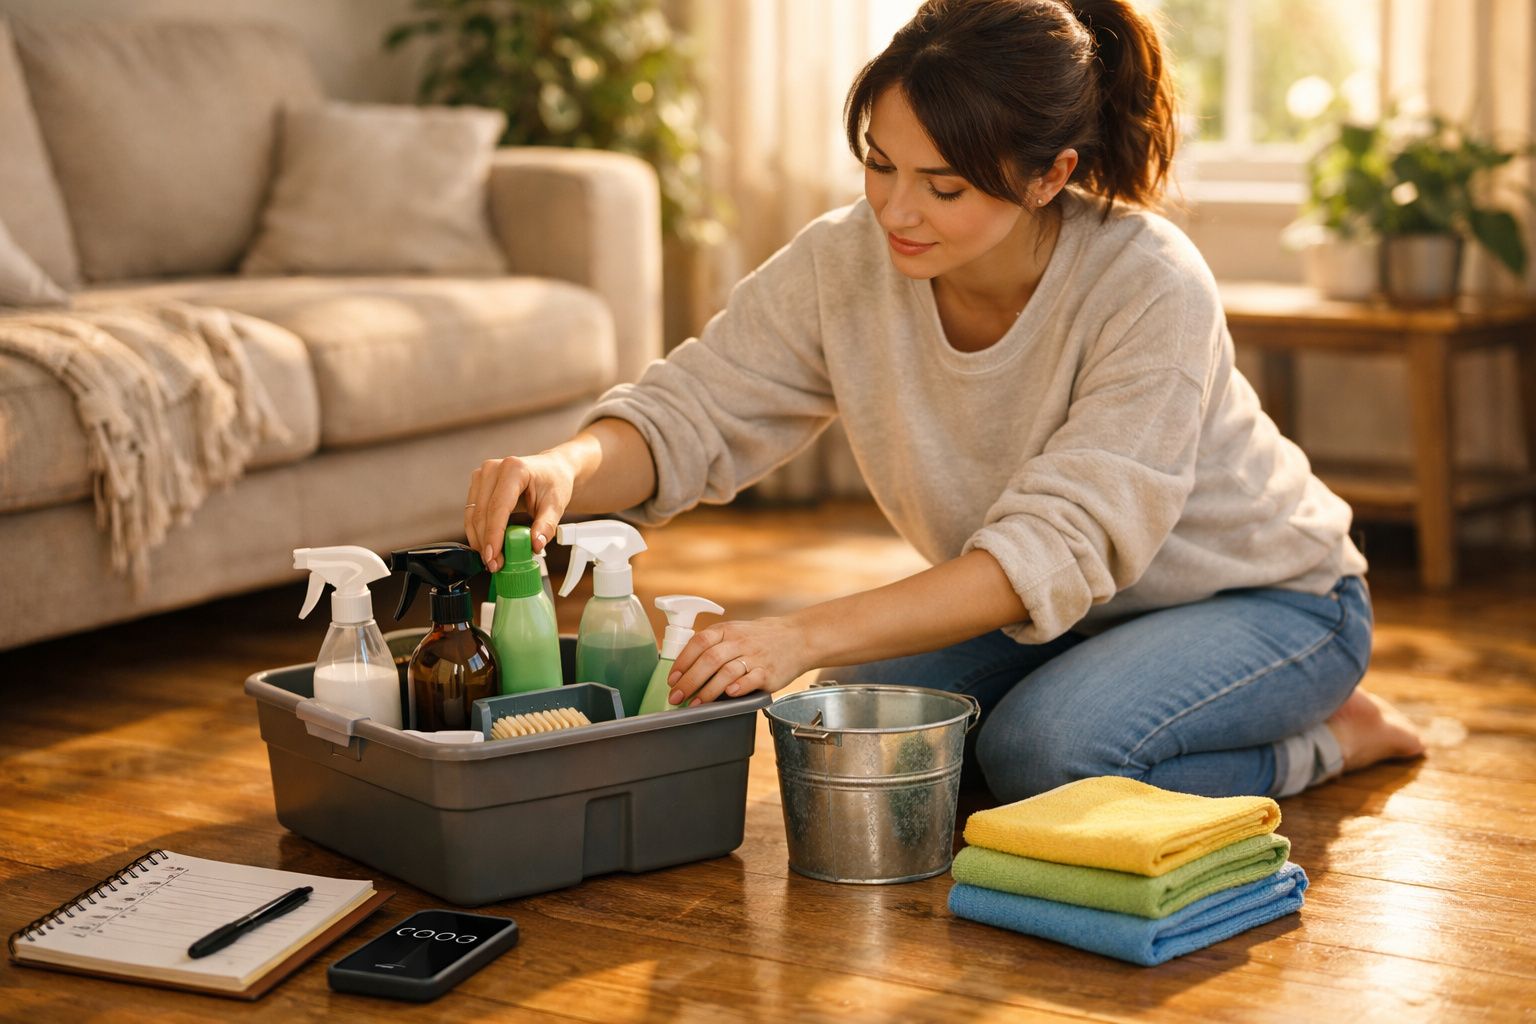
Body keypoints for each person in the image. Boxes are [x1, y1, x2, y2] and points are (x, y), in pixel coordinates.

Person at [464, 0, 1424, 800]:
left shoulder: (1149, 282)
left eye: (944, 185)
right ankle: (1088, 698)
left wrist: (798, 632)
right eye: (880, 163)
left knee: (1046, 758)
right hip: (1058, 615)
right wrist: (566, 466)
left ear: (1052, 175)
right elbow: (697, 407)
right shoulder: (847, 260)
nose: (895, 209)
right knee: (866, 750)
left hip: (1268, 603)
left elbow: (1057, 546)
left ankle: (1327, 740)